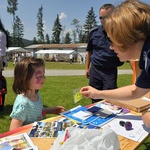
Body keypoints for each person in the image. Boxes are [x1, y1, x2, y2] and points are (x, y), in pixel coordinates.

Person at [80, 0, 150, 128]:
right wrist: (98, 93)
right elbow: (136, 90)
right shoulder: (147, 57)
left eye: (112, 40)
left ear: (127, 36)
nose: (111, 47)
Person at [10, 57, 65, 130]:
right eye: (39, 76)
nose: (43, 79)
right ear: (25, 78)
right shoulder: (23, 104)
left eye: (43, 75)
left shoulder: (35, 94)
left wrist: (53, 110)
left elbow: (38, 110)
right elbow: (13, 130)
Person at [85, 4, 124, 103]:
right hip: (95, 69)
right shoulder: (94, 33)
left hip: (109, 71)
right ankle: (96, 116)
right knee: (94, 95)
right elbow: (89, 51)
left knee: (110, 97)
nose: (103, 20)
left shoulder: (120, 32)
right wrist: (86, 68)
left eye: (106, 17)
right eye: (101, 18)